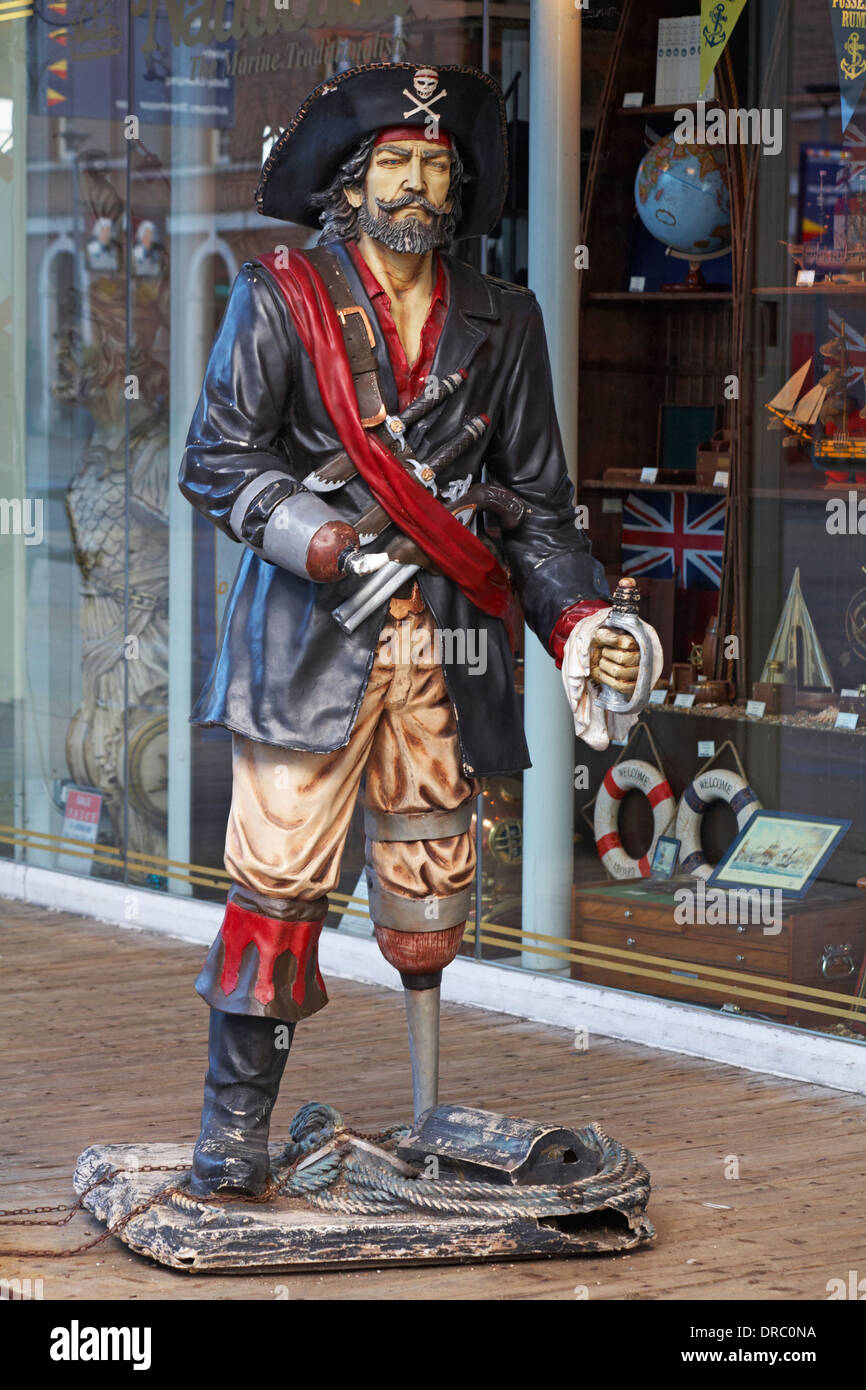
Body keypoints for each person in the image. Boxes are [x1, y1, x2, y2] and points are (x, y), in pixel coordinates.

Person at [179, 62, 659, 1197]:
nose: (414, 182)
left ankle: (430, 1120)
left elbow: (537, 510)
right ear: (352, 181)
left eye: (434, 163)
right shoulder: (278, 294)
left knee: (430, 887)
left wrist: (581, 616)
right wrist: (325, 539)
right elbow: (216, 460)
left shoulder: (506, 317)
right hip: (307, 644)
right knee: (278, 886)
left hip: (443, 652)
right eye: (393, 161)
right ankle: (233, 1133)